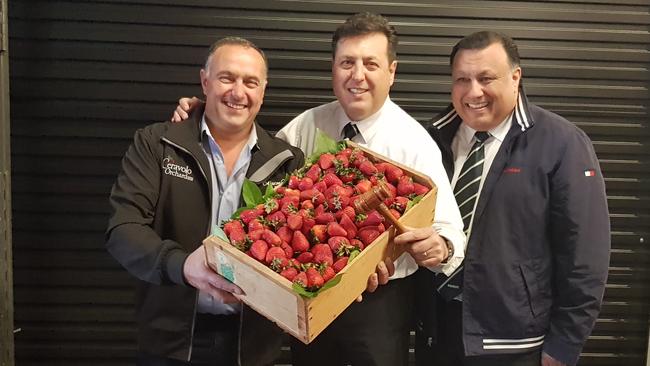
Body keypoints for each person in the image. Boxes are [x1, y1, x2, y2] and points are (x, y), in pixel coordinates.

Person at [171, 12, 466, 366]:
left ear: (391, 72)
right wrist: (205, 116)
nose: (357, 75)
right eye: (347, 63)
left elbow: (450, 232)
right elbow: (255, 153)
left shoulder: (415, 143)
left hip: (380, 304)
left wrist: (440, 246)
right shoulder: (304, 127)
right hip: (308, 295)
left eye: (370, 63)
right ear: (333, 69)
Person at [415, 31, 610, 366]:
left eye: (486, 78)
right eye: (463, 79)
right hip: (437, 333)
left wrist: (564, 345)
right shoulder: (429, 138)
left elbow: (585, 256)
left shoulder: (562, 144)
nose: (474, 91)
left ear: (516, 77)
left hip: (516, 342)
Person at [106, 37, 304, 366]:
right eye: (227, 77)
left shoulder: (287, 161)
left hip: (252, 349)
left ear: (263, 90)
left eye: (250, 82)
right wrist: (182, 266)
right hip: (168, 345)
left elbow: (302, 251)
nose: (238, 92)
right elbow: (123, 229)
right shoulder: (157, 143)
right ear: (205, 81)